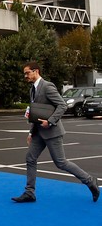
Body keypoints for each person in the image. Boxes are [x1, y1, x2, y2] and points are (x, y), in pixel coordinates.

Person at [12, 61, 100, 203]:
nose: (25, 76)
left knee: (61, 163)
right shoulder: (32, 89)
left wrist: (50, 121)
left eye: (27, 73)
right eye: (24, 74)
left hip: (52, 131)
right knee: (30, 158)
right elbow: (36, 113)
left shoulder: (47, 86)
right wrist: (30, 132)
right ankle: (30, 192)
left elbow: (62, 105)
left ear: (36, 71)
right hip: (38, 132)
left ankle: (90, 181)